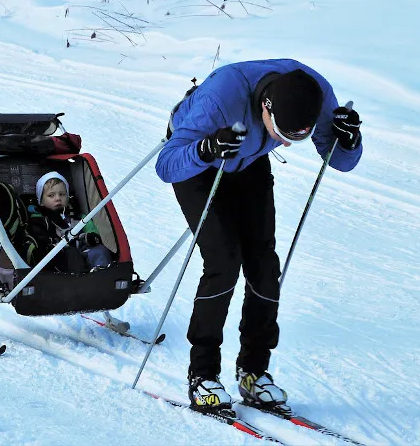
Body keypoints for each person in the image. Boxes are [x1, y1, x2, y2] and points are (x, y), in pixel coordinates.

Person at [155, 59, 363, 413]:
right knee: (223, 261)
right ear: (266, 107)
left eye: (295, 139)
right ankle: (202, 375)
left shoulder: (315, 91)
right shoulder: (221, 97)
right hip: (201, 160)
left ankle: (254, 372)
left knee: (264, 266)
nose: (284, 144)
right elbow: (167, 164)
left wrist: (349, 140)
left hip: (248, 161)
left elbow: (341, 161)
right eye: (281, 135)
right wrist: (205, 149)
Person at [26, 171, 115, 273]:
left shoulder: (79, 217)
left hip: (83, 250)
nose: (58, 198)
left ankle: (103, 274)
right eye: (51, 195)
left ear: (68, 197)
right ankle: (79, 279)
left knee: (100, 250)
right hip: (59, 258)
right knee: (72, 254)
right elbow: (40, 239)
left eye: (62, 194)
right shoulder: (39, 220)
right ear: (41, 201)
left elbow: (94, 233)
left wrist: (90, 237)